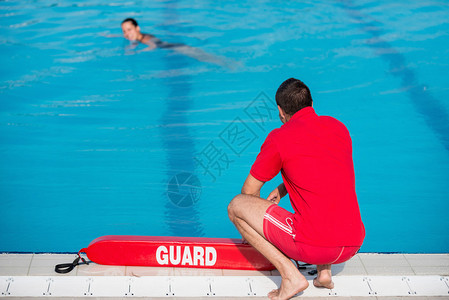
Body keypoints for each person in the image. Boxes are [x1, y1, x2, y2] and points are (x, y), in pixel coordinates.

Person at [228, 78, 365, 300]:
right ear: (312, 103)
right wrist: (283, 189)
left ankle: (290, 276)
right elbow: (325, 175)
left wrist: (253, 225)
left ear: (281, 112)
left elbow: (248, 191)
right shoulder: (338, 128)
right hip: (353, 241)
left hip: (315, 245)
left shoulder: (280, 138)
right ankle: (324, 274)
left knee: (236, 206)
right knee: (326, 201)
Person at [121, 18, 231, 67]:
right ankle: (230, 64)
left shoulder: (145, 39)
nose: (127, 34)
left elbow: (153, 45)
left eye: (129, 30)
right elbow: (131, 37)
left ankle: (231, 65)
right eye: (124, 31)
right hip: (175, 48)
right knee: (208, 58)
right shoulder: (138, 37)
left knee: (209, 59)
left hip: (179, 48)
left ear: (137, 28)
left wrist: (140, 51)